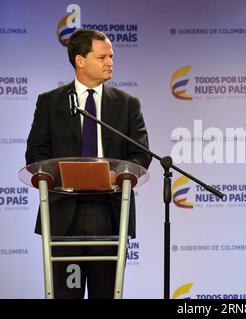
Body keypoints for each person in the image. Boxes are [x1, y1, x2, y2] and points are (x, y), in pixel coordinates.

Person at [25, 29, 152, 298]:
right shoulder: (50, 103)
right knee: (65, 294)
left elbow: (141, 155)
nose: (110, 62)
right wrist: (63, 177)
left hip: (110, 214)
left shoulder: (128, 104)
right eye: (102, 56)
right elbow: (36, 156)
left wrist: (118, 177)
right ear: (80, 60)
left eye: (112, 57)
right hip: (63, 217)